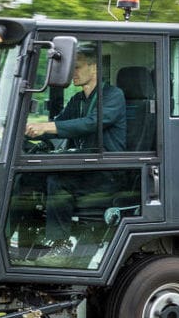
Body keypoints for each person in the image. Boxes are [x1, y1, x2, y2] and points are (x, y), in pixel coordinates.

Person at [24, 46, 127, 264]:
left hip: (106, 171)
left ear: (95, 68)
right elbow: (60, 127)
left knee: (58, 180)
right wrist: (28, 132)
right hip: (85, 166)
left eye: (77, 67)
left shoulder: (112, 96)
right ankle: (23, 245)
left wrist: (47, 128)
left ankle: (61, 246)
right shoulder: (77, 100)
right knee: (28, 178)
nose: (73, 73)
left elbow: (91, 124)